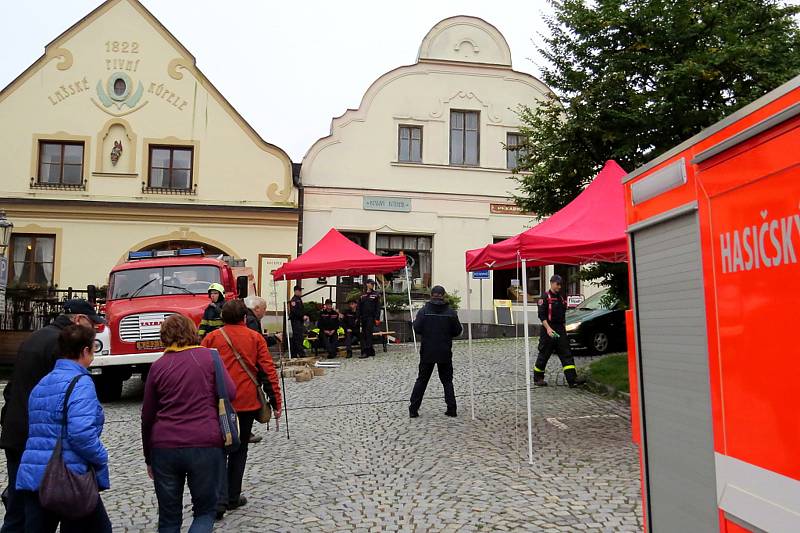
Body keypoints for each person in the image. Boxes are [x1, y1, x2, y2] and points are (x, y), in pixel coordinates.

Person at [0, 299, 105, 533]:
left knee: (19, 512)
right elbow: (62, 404)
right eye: (91, 323)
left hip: (20, 433)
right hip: (45, 443)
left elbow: (12, 387)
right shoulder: (62, 347)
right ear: (78, 320)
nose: (95, 329)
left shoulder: (36, 337)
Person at [141, 314, 234, 533]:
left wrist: (148, 456)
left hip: (164, 447)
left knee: (169, 518)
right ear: (192, 332)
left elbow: (147, 416)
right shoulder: (210, 358)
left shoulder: (158, 367)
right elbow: (230, 392)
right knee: (204, 512)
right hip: (205, 442)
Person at [201, 300, 282, 520]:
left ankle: (217, 500)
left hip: (218, 403)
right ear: (244, 318)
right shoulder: (255, 338)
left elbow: (203, 370)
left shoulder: (211, 338)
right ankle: (232, 496)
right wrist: (276, 402)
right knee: (239, 450)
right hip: (246, 402)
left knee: (218, 450)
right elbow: (267, 371)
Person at [409, 286, 463, 418]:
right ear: (443, 295)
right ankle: (452, 409)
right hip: (444, 350)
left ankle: (413, 410)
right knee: (447, 381)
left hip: (427, 351)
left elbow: (416, 328)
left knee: (422, 380)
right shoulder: (451, 312)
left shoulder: (424, 311)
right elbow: (457, 331)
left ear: (431, 295)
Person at [243, 296, 284, 444]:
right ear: (257, 308)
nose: (265, 313)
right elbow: (257, 341)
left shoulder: (248, 318)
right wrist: (274, 338)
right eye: (264, 309)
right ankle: (245, 432)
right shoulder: (252, 320)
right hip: (250, 368)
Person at [533, 274, 584, 388]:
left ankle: (572, 379)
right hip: (548, 329)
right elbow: (541, 316)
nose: (559, 287)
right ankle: (538, 378)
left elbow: (563, 316)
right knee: (544, 354)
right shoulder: (544, 298)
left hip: (560, 329)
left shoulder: (561, 298)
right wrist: (548, 329)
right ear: (552, 283)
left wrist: (564, 330)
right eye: (557, 284)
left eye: (560, 284)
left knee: (566, 354)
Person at [357, 280, 381, 358]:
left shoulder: (376, 294)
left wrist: (377, 318)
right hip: (363, 317)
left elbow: (378, 307)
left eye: (373, 284)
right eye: (371, 284)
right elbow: (359, 307)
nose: (372, 285)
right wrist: (358, 317)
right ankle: (368, 350)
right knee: (363, 334)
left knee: (368, 334)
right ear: (367, 284)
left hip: (371, 317)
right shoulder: (362, 295)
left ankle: (367, 351)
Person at [288, 286, 307, 357]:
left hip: (299, 320)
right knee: (298, 337)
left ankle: (295, 353)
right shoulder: (294, 300)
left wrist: (304, 315)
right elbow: (295, 311)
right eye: (299, 291)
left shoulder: (299, 299)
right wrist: (302, 316)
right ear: (296, 291)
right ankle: (300, 353)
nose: (300, 292)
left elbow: (301, 310)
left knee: (298, 337)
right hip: (296, 320)